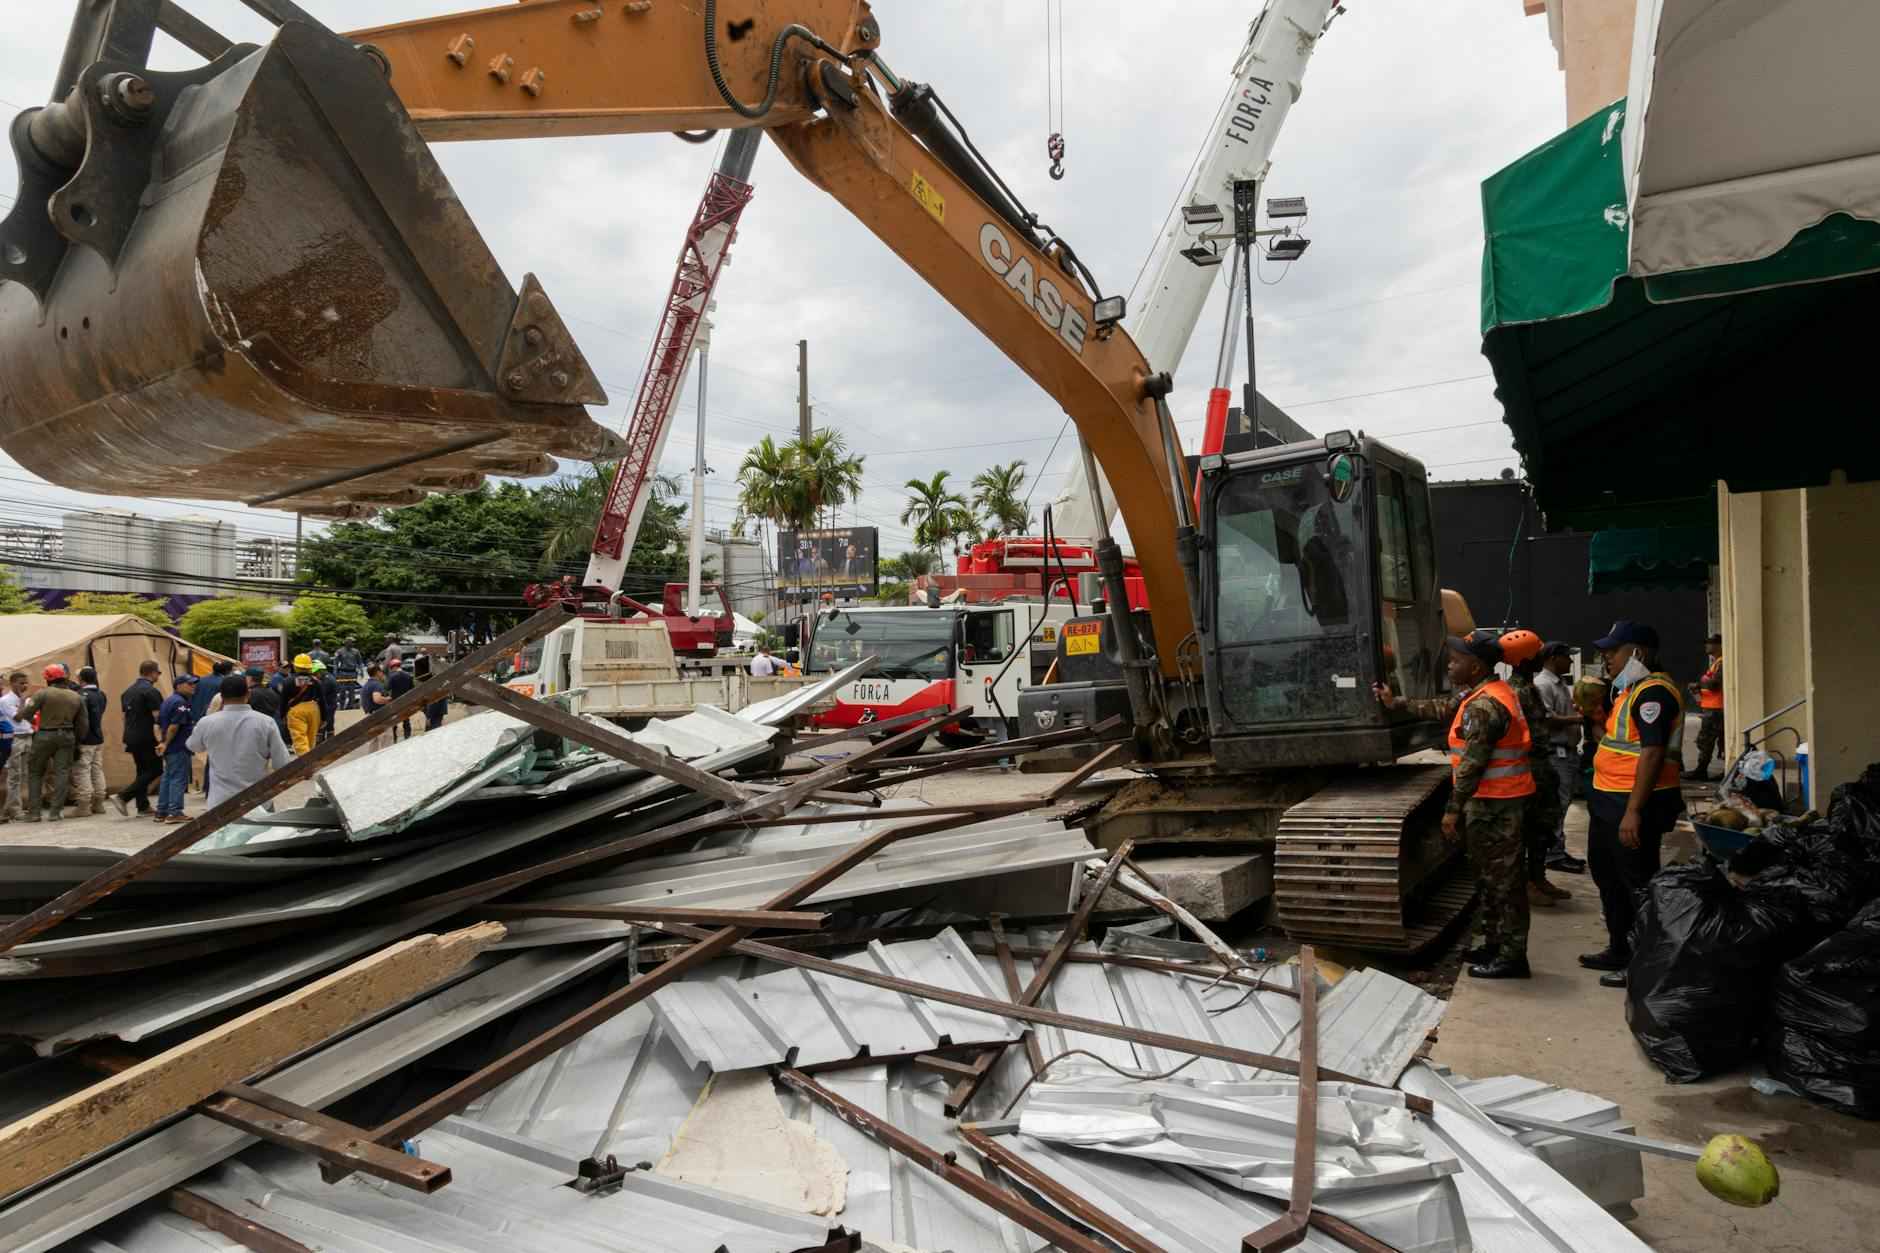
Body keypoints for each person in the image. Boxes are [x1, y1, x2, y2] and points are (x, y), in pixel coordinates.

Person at [1376, 630, 1535, 979]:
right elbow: (1441, 708)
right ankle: (1494, 944)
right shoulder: (1480, 694)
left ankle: (1512, 956)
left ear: (1475, 666)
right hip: (1492, 803)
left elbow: (1471, 766)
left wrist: (1451, 810)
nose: (1450, 664)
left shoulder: (1484, 706)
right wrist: (1396, 703)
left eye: (1456, 659)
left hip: (1498, 806)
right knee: (1488, 878)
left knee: (1504, 882)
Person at [1580, 620, 1685, 988]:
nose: (1605, 658)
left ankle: (1643, 961)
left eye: (1612, 651)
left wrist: (1633, 812)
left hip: (1634, 805)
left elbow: (1652, 753)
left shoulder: (1653, 693)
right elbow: (1616, 742)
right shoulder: (1629, 690)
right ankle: (1619, 948)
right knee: (1608, 876)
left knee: (1636, 883)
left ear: (1637, 653)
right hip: (1608, 800)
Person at [1499, 631, 1570, 908]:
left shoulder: (1528, 687)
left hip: (1542, 765)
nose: (1543, 657)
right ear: (1526, 659)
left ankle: (1538, 877)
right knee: (1528, 829)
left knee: (1544, 826)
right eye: (1539, 653)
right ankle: (1527, 884)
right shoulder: (1516, 691)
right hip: (1528, 768)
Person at [187, 674, 291, 809]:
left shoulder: (207, 722)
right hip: (258, 800)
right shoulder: (266, 722)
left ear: (221, 698)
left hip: (220, 803)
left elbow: (193, 745)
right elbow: (282, 763)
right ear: (248, 694)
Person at [1533, 643, 1588, 874]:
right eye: (1567, 657)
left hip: (1566, 753)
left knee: (1561, 805)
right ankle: (1553, 855)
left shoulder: (1558, 682)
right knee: (1557, 805)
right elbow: (1544, 719)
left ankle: (1556, 850)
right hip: (1556, 754)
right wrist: (1576, 719)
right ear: (1554, 658)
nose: (1571, 662)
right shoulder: (1544, 684)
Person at [19, 664, 90, 822]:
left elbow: (26, 714)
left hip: (44, 735)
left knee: (36, 773)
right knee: (62, 773)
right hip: (67, 736)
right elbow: (83, 725)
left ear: (47, 679)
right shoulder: (76, 696)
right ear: (64, 677)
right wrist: (77, 742)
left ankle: (34, 813)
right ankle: (55, 812)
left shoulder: (42, 694)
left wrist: (32, 718)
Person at [112, 660, 165, 817]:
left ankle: (143, 806)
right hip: (147, 736)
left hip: (131, 736)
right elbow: (158, 717)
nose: (158, 676)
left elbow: (124, 717)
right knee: (156, 769)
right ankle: (123, 796)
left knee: (142, 770)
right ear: (153, 673)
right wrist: (162, 739)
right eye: (159, 673)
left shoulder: (128, 691)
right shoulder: (151, 692)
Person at [155, 672, 198, 823]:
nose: (193, 686)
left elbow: (158, 724)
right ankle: (175, 812)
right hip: (178, 746)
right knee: (178, 779)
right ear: (179, 685)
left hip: (170, 747)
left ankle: (162, 811)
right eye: (190, 684)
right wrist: (165, 743)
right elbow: (174, 726)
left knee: (168, 777)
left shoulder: (168, 700)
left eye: (194, 684)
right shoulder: (180, 702)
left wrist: (161, 742)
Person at [72, 665, 108, 816]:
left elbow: (78, 718)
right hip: (98, 738)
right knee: (97, 770)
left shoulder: (80, 695)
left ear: (81, 679)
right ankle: (99, 803)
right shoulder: (102, 694)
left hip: (84, 739)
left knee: (82, 771)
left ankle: (84, 806)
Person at [1691, 633, 1725, 781]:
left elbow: (1714, 684)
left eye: (1710, 643)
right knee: (1708, 740)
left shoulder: (1722, 663)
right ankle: (1701, 769)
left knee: (1707, 740)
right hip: (1711, 708)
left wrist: (1700, 683)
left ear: (1719, 645)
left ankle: (1702, 770)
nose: (1707, 645)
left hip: (1716, 709)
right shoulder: (1715, 663)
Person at [0, 671, 31, 821]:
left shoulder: (25, 699)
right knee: (14, 776)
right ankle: (14, 809)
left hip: (27, 736)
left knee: (24, 775)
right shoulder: (6, 701)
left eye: (25, 683)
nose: (24, 686)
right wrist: (24, 702)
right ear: (12, 683)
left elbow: (30, 718)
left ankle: (12, 807)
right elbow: (18, 718)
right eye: (21, 683)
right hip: (15, 739)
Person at [284, 655, 323, 754]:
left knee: (300, 740)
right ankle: (311, 760)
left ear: (295, 666)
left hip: (296, 711)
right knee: (311, 739)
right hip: (313, 709)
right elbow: (322, 700)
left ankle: (305, 764)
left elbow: (283, 700)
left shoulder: (288, 681)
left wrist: (282, 714)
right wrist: (325, 717)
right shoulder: (316, 681)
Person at [360, 664, 393, 751]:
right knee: (386, 739)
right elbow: (377, 699)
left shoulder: (366, 685)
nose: (383, 674)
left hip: (369, 715)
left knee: (373, 740)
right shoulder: (376, 684)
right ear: (378, 672)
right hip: (379, 715)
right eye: (381, 672)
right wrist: (388, 699)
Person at [415, 654, 448, 732]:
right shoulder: (440, 679)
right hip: (439, 709)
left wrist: (428, 717)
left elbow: (433, 701)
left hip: (434, 711)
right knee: (437, 726)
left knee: (432, 730)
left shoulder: (432, 682)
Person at [385, 656, 416, 741]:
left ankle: (395, 738)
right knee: (406, 719)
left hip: (395, 701)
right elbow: (412, 689)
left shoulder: (392, 677)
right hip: (406, 700)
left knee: (394, 721)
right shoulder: (408, 676)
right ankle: (407, 737)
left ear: (394, 666)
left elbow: (387, 688)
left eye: (391, 668)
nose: (391, 669)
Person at [334, 637, 364, 709]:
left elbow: (360, 662)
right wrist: (335, 673)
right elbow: (335, 662)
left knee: (352, 691)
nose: (353, 643)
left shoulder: (356, 651)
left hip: (352, 673)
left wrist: (361, 671)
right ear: (346, 642)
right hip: (342, 673)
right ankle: (341, 706)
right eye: (351, 642)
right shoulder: (339, 651)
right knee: (342, 690)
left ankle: (351, 706)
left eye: (353, 642)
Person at [312, 659, 339, 742]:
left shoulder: (327, 681)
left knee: (323, 727)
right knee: (329, 726)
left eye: (315, 674)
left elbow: (319, 695)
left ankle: (322, 745)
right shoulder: (328, 678)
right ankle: (329, 742)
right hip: (329, 706)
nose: (315, 676)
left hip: (328, 707)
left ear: (320, 671)